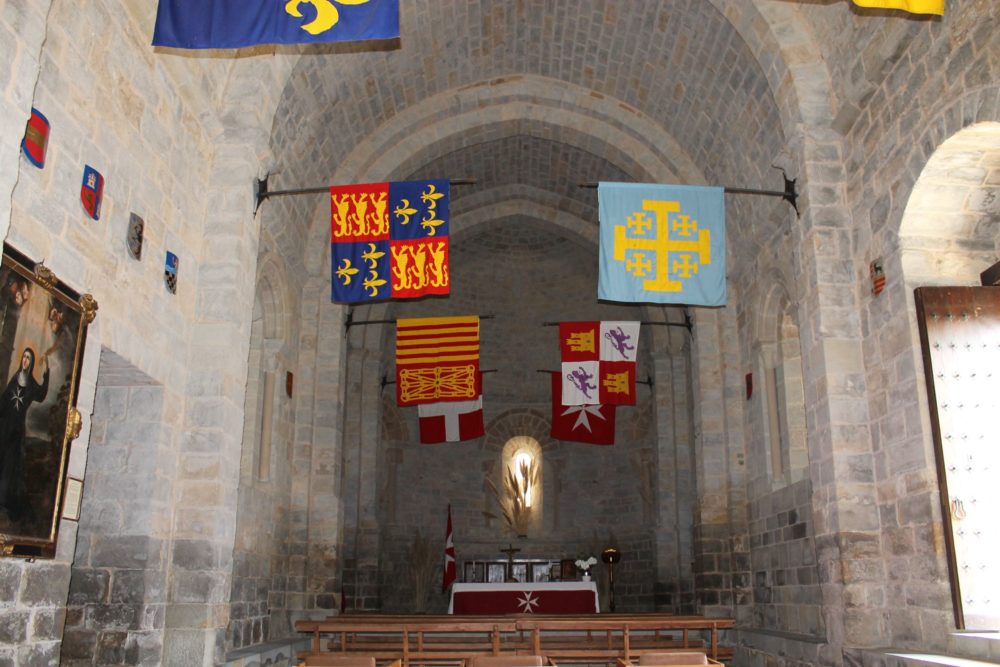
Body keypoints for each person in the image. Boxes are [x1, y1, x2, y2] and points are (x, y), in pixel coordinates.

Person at [0, 347, 50, 523]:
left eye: (28, 358)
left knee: (11, 466)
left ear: (31, 362)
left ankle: (5, 500)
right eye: (24, 357)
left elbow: (42, 395)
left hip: (17, 431)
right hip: (4, 428)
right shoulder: (15, 379)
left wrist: (47, 374)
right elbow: (4, 400)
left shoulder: (31, 384)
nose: (25, 361)